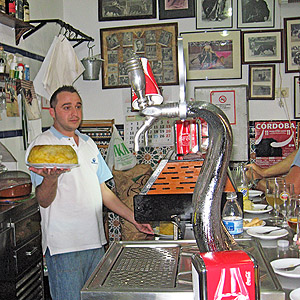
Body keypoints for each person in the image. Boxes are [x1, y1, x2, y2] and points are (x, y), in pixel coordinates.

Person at [25, 85, 153, 300]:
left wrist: (134, 218)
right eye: (66, 107)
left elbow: (104, 191)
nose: (74, 113)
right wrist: (51, 179)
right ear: (52, 112)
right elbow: (43, 201)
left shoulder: (87, 143)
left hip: (95, 242)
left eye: (78, 106)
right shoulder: (42, 146)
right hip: (64, 247)